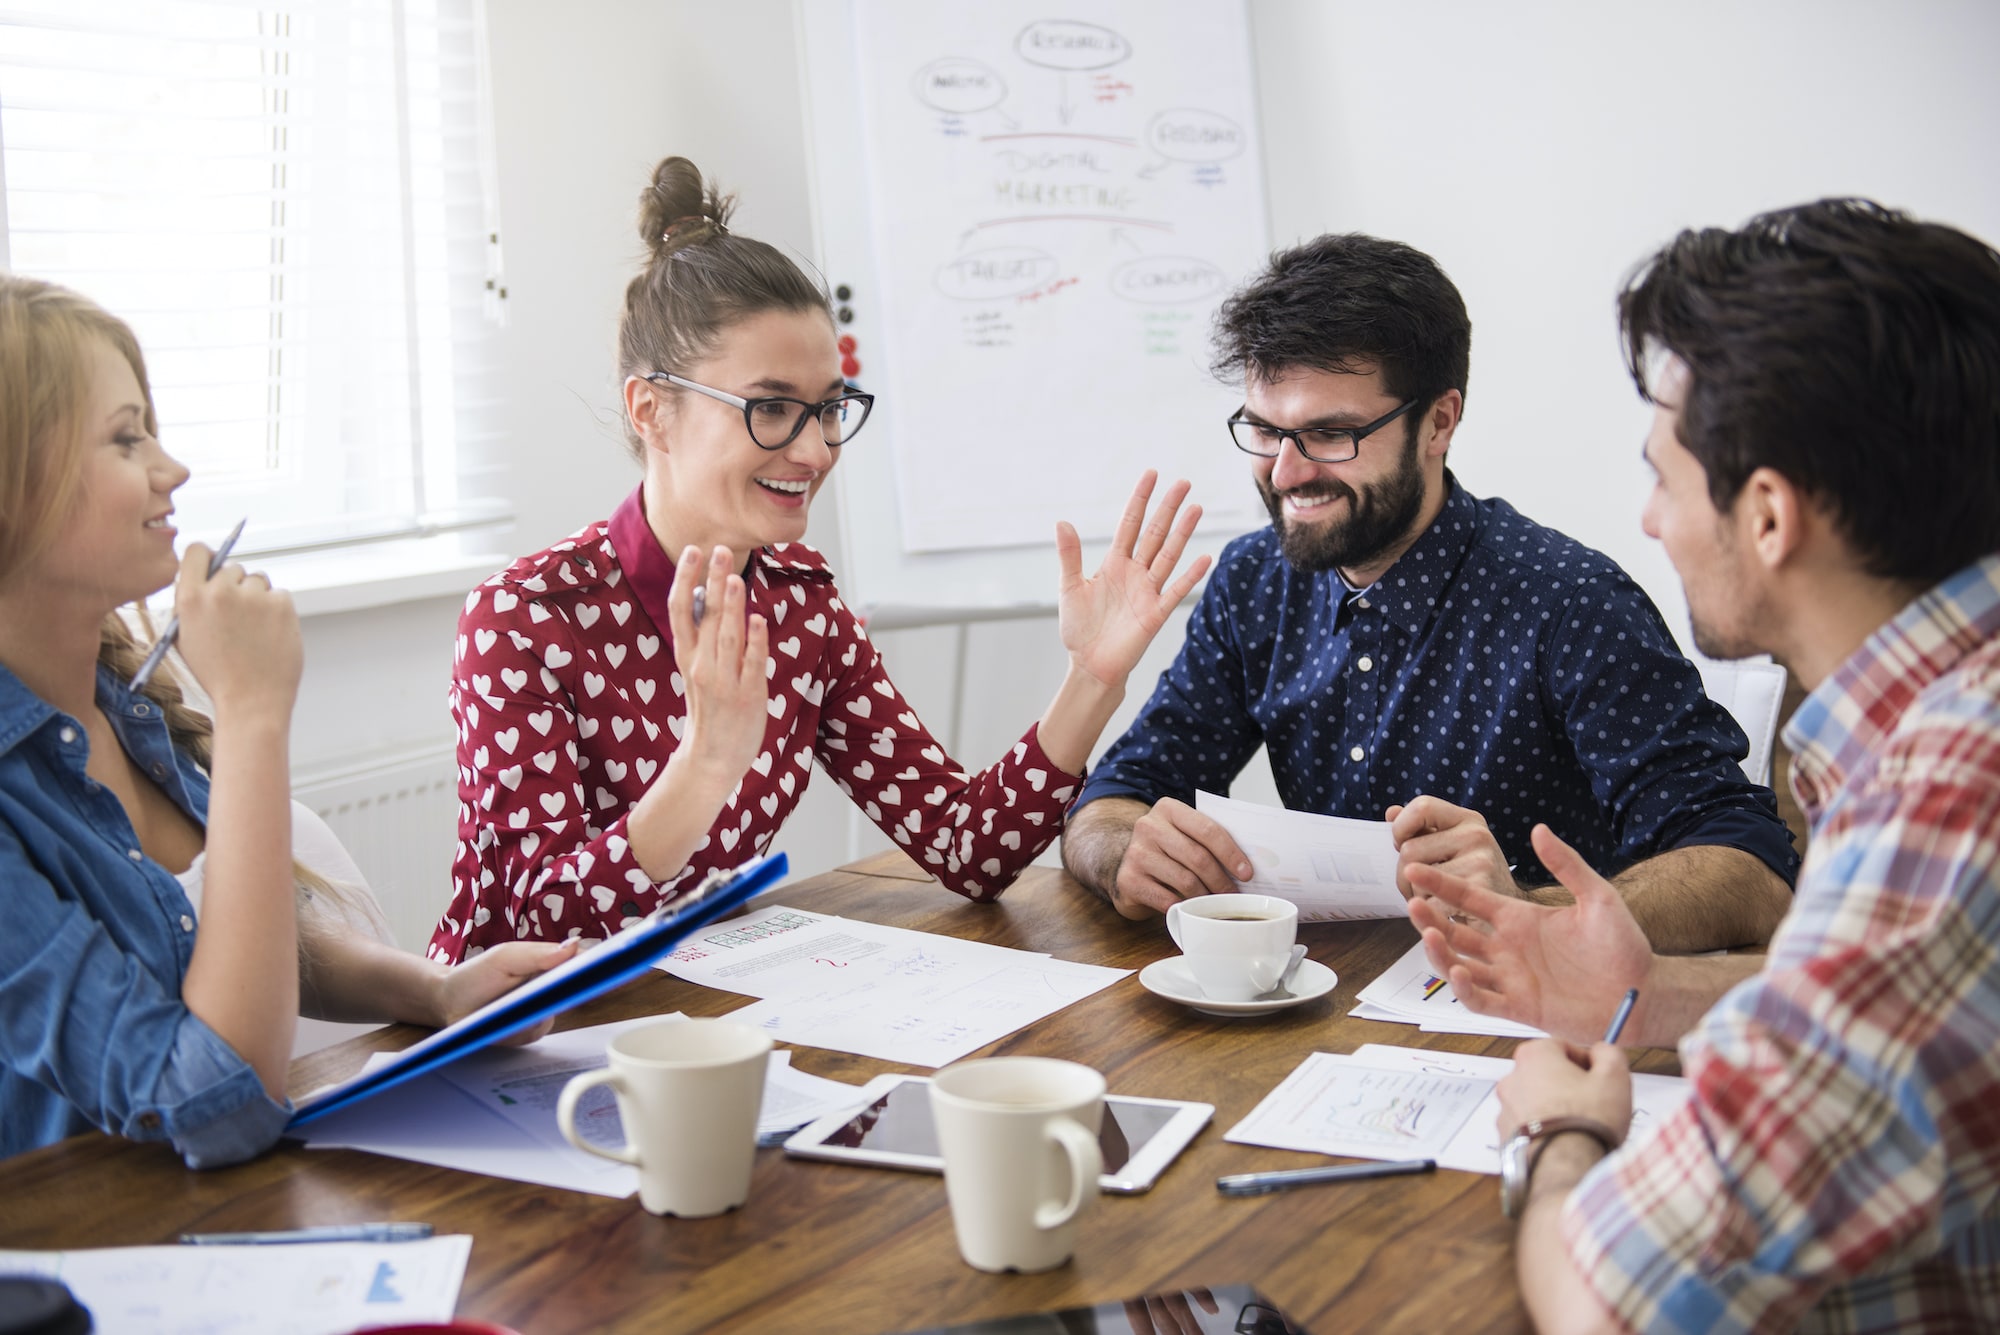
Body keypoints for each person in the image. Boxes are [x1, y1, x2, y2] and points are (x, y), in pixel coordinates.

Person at [1409, 200, 2000, 1332]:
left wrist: (1554, 1133)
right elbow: (1883, 1015)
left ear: (1767, 516)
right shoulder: (1939, 721)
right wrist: (1642, 996)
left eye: (1662, 479)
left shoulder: (1944, 805)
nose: (1647, 520)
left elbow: (1606, 1308)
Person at [428, 157, 1207, 962]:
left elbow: (968, 848)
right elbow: (531, 927)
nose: (814, 449)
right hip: (514, 1050)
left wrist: (1092, 677)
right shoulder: (525, 618)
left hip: (704, 1019)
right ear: (651, 410)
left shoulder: (801, 603)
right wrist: (701, 769)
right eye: (771, 408)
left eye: (830, 408)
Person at [1061, 233, 1798, 952]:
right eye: (1264, 429)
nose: (1285, 474)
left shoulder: (1570, 601)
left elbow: (1753, 873)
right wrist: (1123, 849)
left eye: (1331, 435)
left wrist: (1528, 914)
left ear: (1438, 422)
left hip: (1536, 1036)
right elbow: (1114, 799)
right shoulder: (1256, 581)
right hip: (1325, 1017)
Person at [0, 276, 574, 1168]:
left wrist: (439, 989)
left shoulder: (117, 701)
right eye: (125, 438)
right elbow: (220, 1097)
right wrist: (255, 715)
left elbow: (243, 943)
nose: (172, 469)